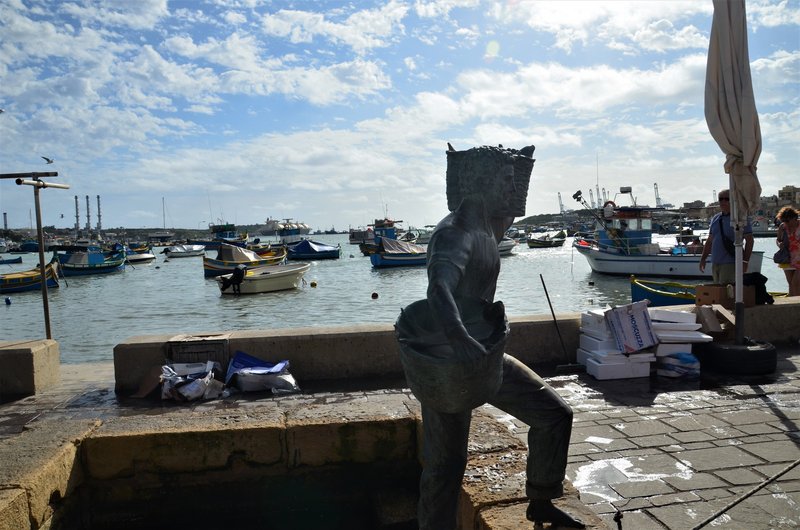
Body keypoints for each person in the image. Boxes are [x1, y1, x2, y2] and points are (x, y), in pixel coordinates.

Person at [397, 144, 584, 529]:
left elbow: (515, 204)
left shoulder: (492, 224)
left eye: (515, 181)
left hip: (486, 351)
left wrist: (518, 162)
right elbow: (439, 290)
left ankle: (542, 500)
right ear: (483, 182)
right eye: (506, 181)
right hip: (448, 359)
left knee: (554, 415)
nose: (513, 189)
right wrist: (459, 335)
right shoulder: (455, 233)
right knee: (445, 466)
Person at [699, 189, 754, 284]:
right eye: (721, 199)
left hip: (731, 263)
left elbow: (750, 241)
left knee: (727, 292)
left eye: (726, 199)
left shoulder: (740, 218)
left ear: (733, 200)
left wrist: (745, 261)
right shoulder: (715, 218)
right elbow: (710, 241)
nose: (723, 201)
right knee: (718, 292)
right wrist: (703, 258)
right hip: (716, 263)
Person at [775, 206, 800, 296]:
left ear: (794, 218)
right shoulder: (783, 227)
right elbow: (778, 240)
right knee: (791, 284)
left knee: (796, 283)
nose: (786, 223)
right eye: (784, 221)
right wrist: (779, 244)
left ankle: (797, 305)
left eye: (788, 221)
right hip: (788, 259)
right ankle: (793, 306)